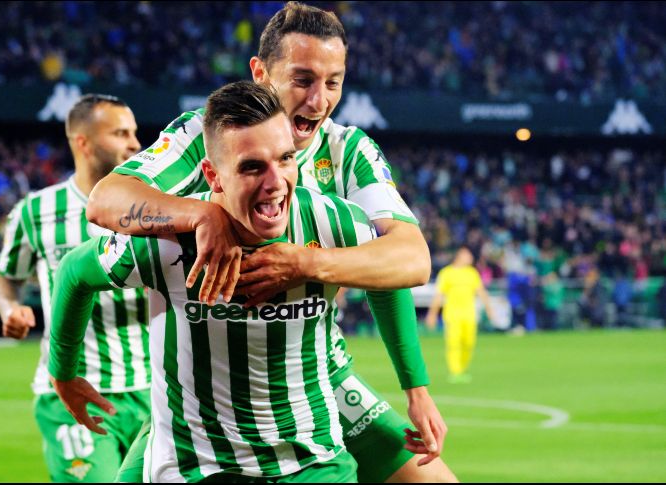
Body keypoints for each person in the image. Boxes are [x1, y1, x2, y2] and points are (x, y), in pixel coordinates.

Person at [86, 3, 454, 482]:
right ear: (260, 73)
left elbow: (404, 259)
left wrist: (415, 385)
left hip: (317, 380)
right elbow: (105, 200)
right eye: (302, 80)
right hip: (202, 389)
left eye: (333, 82)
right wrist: (201, 213)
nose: (319, 101)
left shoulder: (348, 152)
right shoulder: (205, 134)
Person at [49, 81, 376, 482]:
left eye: (286, 158)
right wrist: (63, 372)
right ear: (213, 175)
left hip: (314, 464)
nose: (275, 182)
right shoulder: (165, 246)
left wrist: (311, 263)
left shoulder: (328, 221)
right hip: (200, 469)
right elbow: (72, 272)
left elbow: (405, 263)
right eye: (252, 166)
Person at [0, 94, 150, 482]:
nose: (135, 143)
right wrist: (9, 308)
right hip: (72, 391)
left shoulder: (155, 205)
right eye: (120, 133)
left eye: (133, 132)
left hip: (154, 391)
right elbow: (5, 276)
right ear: (83, 142)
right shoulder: (37, 210)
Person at [426, 247, 495, 383]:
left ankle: (462, 369)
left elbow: (481, 292)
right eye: (467, 255)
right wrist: (432, 314)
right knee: (454, 343)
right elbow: (439, 295)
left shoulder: (472, 273)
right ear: (459, 256)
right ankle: (455, 372)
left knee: (469, 343)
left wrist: (489, 309)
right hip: (452, 315)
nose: (470, 258)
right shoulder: (447, 273)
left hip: (469, 315)